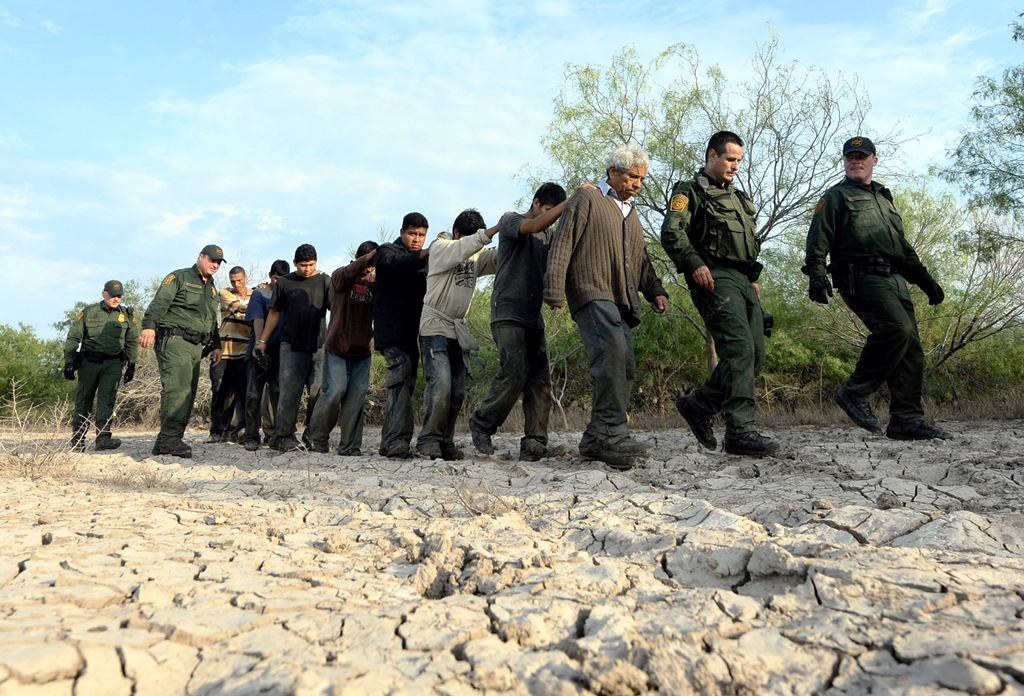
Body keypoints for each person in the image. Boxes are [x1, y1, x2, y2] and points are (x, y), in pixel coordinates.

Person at [804, 136, 952, 441]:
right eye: (850, 157)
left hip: (895, 279)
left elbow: (902, 247)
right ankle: (854, 393)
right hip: (860, 276)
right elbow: (818, 238)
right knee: (896, 330)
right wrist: (816, 274)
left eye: (862, 156)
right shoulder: (835, 197)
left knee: (911, 350)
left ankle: (906, 420)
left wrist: (926, 281)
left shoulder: (885, 199)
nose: (855, 161)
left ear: (874, 159)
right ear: (844, 162)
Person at [544, 143, 669, 470]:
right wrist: (554, 288)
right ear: (613, 172)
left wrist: (655, 290)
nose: (638, 184)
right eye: (632, 176)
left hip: (621, 298)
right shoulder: (587, 198)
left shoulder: (632, 213)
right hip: (591, 290)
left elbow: (641, 259)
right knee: (612, 353)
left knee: (625, 363)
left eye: (642, 179)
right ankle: (610, 436)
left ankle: (599, 435)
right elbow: (563, 241)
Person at [660, 131, 778, 456]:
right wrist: (694, 263)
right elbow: (671, 232)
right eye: (730, 159)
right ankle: (741, 432)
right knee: (739, 349)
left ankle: (699, 405)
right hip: (714, 277)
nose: (735, 166)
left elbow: (746, 244)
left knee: (755, 356)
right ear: (712, 155)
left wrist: (752, 278)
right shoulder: (689, 191)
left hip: (743, 281)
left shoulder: (739, 199)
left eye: (739, 160)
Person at [469, 183, 578, 462]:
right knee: (515, 369)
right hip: (506, 312)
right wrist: (572, 202)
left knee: (541, 381)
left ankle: (534, 443)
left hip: (532, 316)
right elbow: (533, 226)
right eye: (551, 211)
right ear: (537, 202)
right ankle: (482, 423)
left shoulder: (549, 236)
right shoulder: (511, 220)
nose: (552, 218)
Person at [417, 210, 499, 460]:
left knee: (458, 390)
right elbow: (464, 247)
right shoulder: (440, 247)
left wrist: (521, 229)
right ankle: (427, 441)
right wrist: (491, 231)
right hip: (434, 327)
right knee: (440, 384)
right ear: (457, 233)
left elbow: (499, 258)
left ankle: (446, 441)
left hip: (457, 331)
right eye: (470, 237)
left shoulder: (475, 255)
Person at [140, 245, 224, 458]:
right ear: (200, 257)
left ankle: (166, 440)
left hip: (196, 346)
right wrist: (149, 326)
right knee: (177, 389)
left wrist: (216, 344)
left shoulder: (212, 287)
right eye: (211, 260)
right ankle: (170, 439)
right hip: (175, 339)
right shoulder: (179, 277)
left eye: (218, 262)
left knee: (188, 392)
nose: (215, 264)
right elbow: (159, 303)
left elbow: (210, 318)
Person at [255, 244, 331, 452]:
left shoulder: (325, 281)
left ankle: (312, 435)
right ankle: (284, 436)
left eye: (312, 265)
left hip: (318, 347)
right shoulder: (285, 282)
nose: (308, 269)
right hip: (291, 346)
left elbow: (337, 309)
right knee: (289, 393)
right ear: (295, 263)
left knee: (317, 392)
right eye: (303, 265)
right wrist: (262, 341)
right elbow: (274, 313)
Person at [307, 242, 378, 455]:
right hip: (337, 346)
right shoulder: (340, 276)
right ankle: (317, 439)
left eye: (373, 264)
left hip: (362, 350)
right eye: (365, 261)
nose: (368, 268)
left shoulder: (376, 283)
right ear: (356, 257)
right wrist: (373, 255)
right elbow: (350, 272)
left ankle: (349, 446)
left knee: (357, 396)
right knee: (335, 391)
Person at [374, 213, 431, 458]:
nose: (417, 239)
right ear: (402, 232)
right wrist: (429, 253)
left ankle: (389, 442)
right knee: (400, 381)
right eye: (413, 234)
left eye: (421, 235)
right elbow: (393, 265)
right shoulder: (387, 251)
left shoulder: (421, 261)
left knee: (405, 386)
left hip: (412, 336)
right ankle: (397, 442)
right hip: (391, 334)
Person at [62, 280, 140, 451]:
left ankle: (103, 438)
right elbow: (74, 337)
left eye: (119, 296)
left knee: (107, 400)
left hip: (113, 363)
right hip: (89, 363)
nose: (116, 298)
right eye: (112, 295)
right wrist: (68, 361)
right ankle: (78, 440)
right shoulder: (89, 312)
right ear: (104, 293)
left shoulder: (126, 315)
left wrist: (132, 364)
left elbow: (132, 340)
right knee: (84, 401)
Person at [242, 260, 289, 451]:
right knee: (253, 393)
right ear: (270, 275)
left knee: (277, 393)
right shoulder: (259, 294)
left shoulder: (288, 294)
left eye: (282, 279)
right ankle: (251, 435)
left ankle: (275, 435)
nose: (279, 282)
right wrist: (260, 344)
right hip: (259, 348)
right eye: (276, 278)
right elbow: (258, 319)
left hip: (281, 350)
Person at [208, 266, 251, 443]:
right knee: (220, 392)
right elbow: (239, 310)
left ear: (245, 278)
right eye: (233, 280)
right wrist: (254, 307)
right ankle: (216, 430)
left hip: (243, 352)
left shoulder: (255, 294)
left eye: (239, 280)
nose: (236, 283)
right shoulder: (225, 293)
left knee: (242, 393)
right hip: (224, 352)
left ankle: (240, 428)